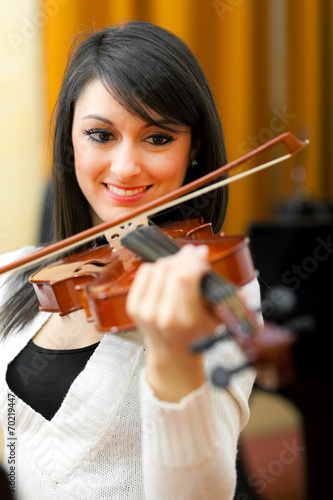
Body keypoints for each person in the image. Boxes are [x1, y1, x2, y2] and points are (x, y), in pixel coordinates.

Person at [0, 21, 261, 500]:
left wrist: (176, 361)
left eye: (158, 138)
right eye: (100, 135)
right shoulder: (18, 275)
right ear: (70, 142)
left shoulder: (212, 284)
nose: (125, 167)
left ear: (194, 148)